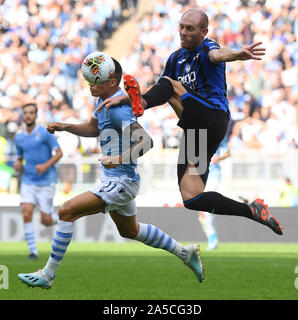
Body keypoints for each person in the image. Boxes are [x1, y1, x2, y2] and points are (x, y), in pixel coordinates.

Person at [18, 59, 205, 289]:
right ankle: (185, 253)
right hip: (114, 180)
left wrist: (117, 159)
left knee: (66, 211)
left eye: (96, 80)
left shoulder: (118, 109)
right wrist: (65, 126)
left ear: (113, 82)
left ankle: (48, 274)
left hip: (122, 181)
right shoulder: (102, 101)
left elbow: (145, 141)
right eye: (89, 79)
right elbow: (93, 128)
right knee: (130, 230)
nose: (90, 84)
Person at [99, 8, 283, 236]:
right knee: (191, 196)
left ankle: (141, 106)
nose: (184, 32)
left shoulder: (207, 47)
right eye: (182, 27)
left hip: (212, 116)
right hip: (196, 130)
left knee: (169, 83)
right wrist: (127, 98)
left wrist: (236, 54)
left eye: (190, 29)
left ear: (204, 32)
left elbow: (217, 56)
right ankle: (252, 211)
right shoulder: (175, 58)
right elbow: (160, 89)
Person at [14, 103, 63, 259]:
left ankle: (62, 219)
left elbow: (59, 153)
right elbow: (20, 156)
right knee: (26, 213)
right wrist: (18, 162)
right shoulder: (19, 138)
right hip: (28, 180)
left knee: (46, 221)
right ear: (23, 115)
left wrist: (45, 165)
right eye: (26, 113)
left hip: (46, 181)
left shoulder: (45, 133)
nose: (28, 115)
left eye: (31, 113)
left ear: (35, 115)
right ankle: (33, 252)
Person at [198, 138, 230, 251]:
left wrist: (218, 158)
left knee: (207, 208)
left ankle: (213, 240)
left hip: (213, 176)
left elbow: (228, 152)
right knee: (201, 214)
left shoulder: (219, 133)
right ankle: (212, 238)